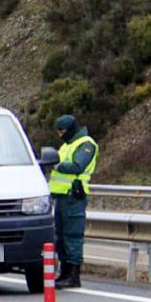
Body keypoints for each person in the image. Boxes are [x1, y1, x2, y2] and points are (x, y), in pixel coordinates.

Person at [49, 114, 99, 289]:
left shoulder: (86, 144)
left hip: (73, 196)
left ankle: (73, 275)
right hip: (61, 197)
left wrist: (57, 165)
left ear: (70, 129)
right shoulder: (67, 145)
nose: (60, 135)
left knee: (73, 236)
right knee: (60, 237)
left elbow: (78, 166)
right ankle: (64, 273)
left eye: (62, 131)